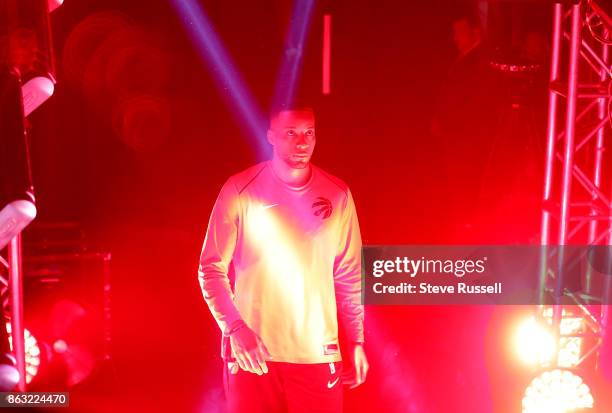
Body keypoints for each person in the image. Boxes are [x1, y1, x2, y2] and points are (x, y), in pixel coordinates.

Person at [198, 105, 369, 413]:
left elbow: (350, 274)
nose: (302, 142)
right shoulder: (240, 190)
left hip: (317, 356)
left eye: (309, 133)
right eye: (291, 133)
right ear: (271, 137)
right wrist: (236, 329)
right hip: (254, 356)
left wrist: (357, 339)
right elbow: (210, 269)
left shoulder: (338, 194)